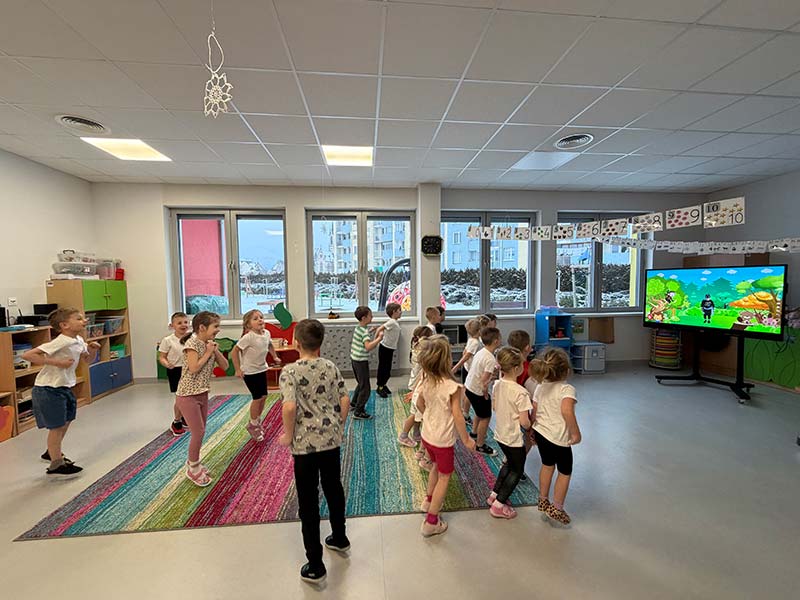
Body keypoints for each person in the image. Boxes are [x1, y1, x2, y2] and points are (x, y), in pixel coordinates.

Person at [278, 319, 350, 585]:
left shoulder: (290, 371)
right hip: (330, 441)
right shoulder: (330, 366)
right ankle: (339, 537)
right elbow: (345, 398)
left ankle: (315, 565)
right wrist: (339, 424)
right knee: (333, 487)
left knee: (308, 501)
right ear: (320, 343)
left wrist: (288, 435)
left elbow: (289, 407)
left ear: (296, 342)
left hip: (304, 446)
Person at [22, 308, 100, 477]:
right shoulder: (61, 341)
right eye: (78, 319)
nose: (84, 320)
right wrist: (58, 362)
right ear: (64, 325)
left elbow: (87, 360)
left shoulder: (78, 340)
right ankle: (56, 464)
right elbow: (28, 355)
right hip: (49, 388)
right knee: (57, 427)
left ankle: (50, 452)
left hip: (64, 386)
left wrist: (92, 350)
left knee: (66, 421)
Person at [415, 335, 476, 537]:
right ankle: (431, 522)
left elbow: (419, 403)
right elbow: (458, 416)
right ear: (447, 360)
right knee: (444, 476)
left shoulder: (426, 381)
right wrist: (466, 440)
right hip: (442, 441)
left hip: (427, 436)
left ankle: (428, 500)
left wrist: (429, 417)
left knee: (435, 467)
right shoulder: (452, 387)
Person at [529, 347, 581, 525]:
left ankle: (543, 500)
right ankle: (557, 508)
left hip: (541, 433)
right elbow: (566, 411)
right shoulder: (567, 389)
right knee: (565, 472)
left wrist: (531, 431)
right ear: (566, 370)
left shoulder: (540, 386)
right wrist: (575, 433)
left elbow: (534, 411)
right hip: (558, 439)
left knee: (547, 465)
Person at [175, 311, 228, 487]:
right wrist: (208, 352)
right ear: (202, 327)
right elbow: (194, 368)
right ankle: (193, 468)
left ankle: (193, 462)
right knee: (197, 432)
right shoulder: (192, 344)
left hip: (202, 393)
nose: (218, 330)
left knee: (201, 430)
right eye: (215, 326)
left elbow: (225, 366)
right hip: (187, 395)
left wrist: (215, 350)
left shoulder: (208, 344)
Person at [487, 347, 532, 519]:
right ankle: (499, 505)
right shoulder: (521, 392)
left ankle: (494, 495)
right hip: (513, 438)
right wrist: (531, 427)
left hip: (500, 434)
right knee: (517, 470)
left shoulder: (497, 384)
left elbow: (495, 406)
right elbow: (524, 422)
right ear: (516, 368)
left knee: (508, 464)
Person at [231, 309, 281, 442]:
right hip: (250, 372)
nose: (260, 320)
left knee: (264, 396)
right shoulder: (248, 337)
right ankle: (253, 425)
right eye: (255, 318)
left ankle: (256, 420)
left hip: (261, 369)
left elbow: (269, 345)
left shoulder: (267, 333)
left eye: (261, 317)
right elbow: (234, 352)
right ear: (248, 325)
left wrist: (274, 356)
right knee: (257, 398)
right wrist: (237, 369)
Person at [464, 326, 501, 455]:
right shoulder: (490, 359)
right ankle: (480, 445)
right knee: (486, 417)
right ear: (496, 341)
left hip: (469, 387)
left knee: (479, 413)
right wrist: (485, 394)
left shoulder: (481, 351)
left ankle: (474, 433)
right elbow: (484, 381)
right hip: (478, 392)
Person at [398, 326, 433, 448]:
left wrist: (414, 391)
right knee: (414, 415)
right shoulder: (426, 365)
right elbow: (421, 379)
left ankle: (416, 433)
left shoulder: (419, 354)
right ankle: (403, 436)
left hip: (417, 390)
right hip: (419, 392)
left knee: (417, 415)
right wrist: (414, 392)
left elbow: (420, 378)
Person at [158, 311, 191, 437]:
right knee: (180, 398)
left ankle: (183, 417)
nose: (183, 325)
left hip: (189, 370)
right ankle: (176, 422)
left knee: (189, 396)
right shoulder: (168, 340)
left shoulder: (191, 339)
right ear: (172, 325)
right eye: (179, 323)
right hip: (175, 370)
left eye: (185, 322)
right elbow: (162, 357)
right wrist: (167, 364)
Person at [350, 306, 383, 420]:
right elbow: (368, 346)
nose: (372, 317)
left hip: (355, 359)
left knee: (361, 383)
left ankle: (354, 403)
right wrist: (379, 338)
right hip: (361, 361)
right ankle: (358, 412)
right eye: (370, 316)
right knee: (365, 388)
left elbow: (362, 336)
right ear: (364, 318)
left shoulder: (359, 328)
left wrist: (370, 331)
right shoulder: (364, 331)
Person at [451, 318, 481, 423]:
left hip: (467, 367)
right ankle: (465, 413)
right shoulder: (475, 343)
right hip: (470, 369)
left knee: (466, 389)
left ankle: (464, 410)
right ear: (479, 330)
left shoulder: (471, 340)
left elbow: (464, 352)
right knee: (469, 391)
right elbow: (466, 356)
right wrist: (456, 367)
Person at [376, 302, 402, 398]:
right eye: (399, 310)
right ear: (394, 312)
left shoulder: (394, 322)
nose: (401, 312)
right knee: (383, 368)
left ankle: (384, 385)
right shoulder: (392, 322)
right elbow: (379, 329)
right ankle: (380, 387)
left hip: (389, 349)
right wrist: (375, 340)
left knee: (387, 369)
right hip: (385, 348)